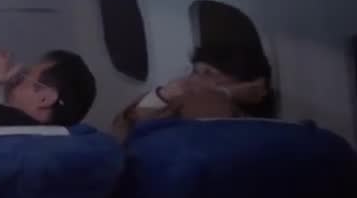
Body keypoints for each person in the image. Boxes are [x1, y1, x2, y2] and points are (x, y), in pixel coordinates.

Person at [111, 44, 274, 141]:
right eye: (195, 71)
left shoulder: (246, 123)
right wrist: (163, 95)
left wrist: (223, 94)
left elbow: (207, 131)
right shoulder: (179, 100)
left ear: (243, 83)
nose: (194, 78)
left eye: (208, 73)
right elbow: (124, 128)